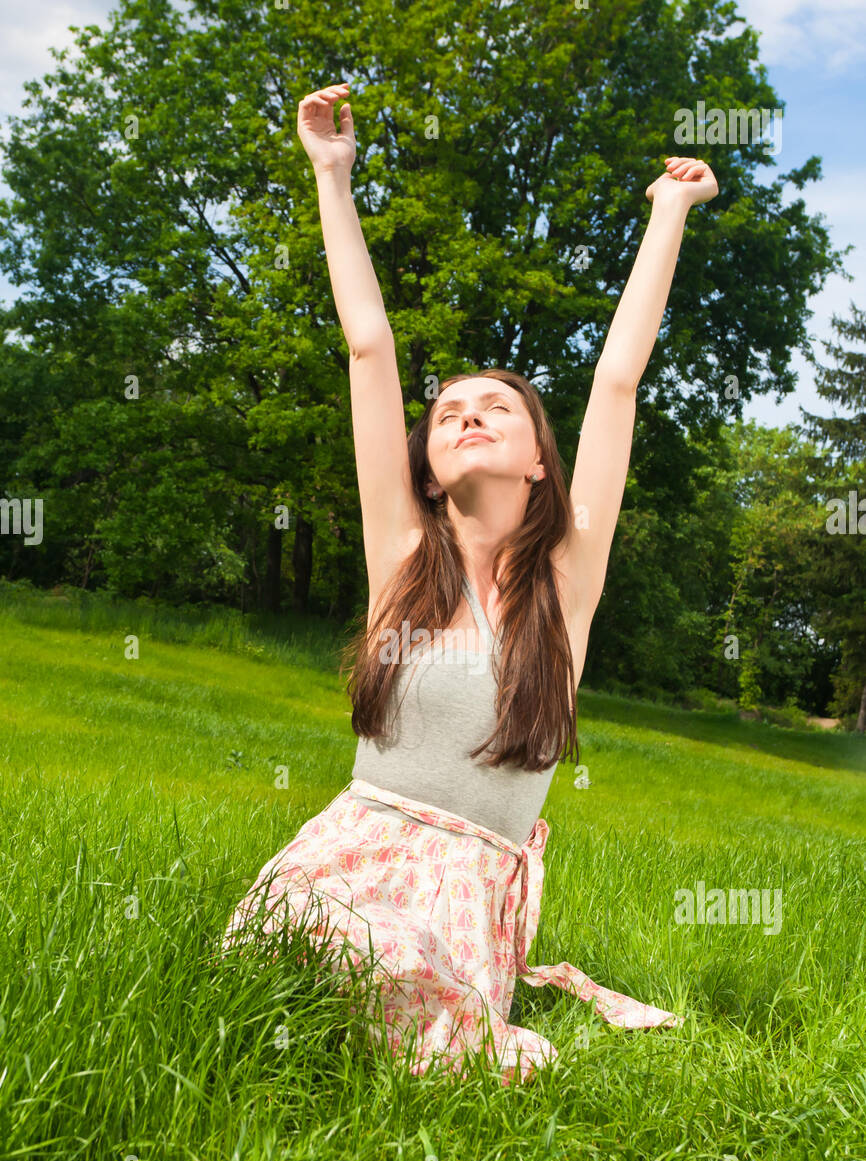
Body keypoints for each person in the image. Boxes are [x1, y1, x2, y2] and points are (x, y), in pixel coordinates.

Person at [223, 81, 719, 1086]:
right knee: (299, 945)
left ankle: (443, 1027)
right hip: (347, 857)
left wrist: (666, 213)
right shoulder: (401, 560)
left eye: (496, 406)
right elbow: (368, 345)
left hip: (468, 883)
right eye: (448, 410)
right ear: (425, 461)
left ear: (541, 459)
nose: (466, 413)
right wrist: (332, 175)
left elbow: (616, 381)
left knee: (403, 975)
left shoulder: (564, 583)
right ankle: (408, 1024)